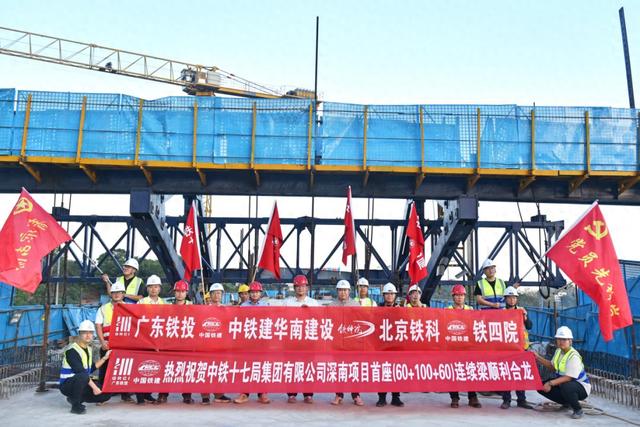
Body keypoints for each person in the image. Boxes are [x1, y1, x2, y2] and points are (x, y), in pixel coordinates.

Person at [158, 280, 209, 405]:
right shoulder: (167, 307)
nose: (180, 294)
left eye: (182, 291)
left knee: (186, 369)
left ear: (186, 293)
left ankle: (187, 395)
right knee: (167, 369)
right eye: (178, 291)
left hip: (187, 343)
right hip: (171, 342)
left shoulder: (193, 306)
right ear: (174, 292)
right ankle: (163, 395)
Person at [534, 326, 591, 419]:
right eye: (559, 339)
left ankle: (578, 409)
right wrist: (538, 357)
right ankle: (567, 402)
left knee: (566, 386)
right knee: (541, 386)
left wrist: (550, 383)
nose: (561, 342)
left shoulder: (573, 356)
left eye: (564, 339)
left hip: (581, 387)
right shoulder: (558, 351)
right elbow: (552, 366)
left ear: (570, 341)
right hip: (565, 384)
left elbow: (569, 377)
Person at [59, 320, 111, 414]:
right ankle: (76, 407)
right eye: (84, 332)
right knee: (83, 376)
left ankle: (75, 398)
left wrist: (105, 358)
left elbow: (91, 368)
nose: (88, 335)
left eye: (90, 333)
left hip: (82, 382)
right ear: (79, 334)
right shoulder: (72, 351)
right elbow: (81, 372)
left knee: (106, 394)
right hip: (68, 385)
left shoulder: (88, 349)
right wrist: (95, 388)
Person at [95, 281, 133, 403]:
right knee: (105, 370)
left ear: (123, 294)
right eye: (114, 292)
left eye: (119, 292)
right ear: (111, 294)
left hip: (124, 345)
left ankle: (125, 395)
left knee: (125, 370)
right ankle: (102, 396)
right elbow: (98, 326)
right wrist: (102, 342)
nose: (116, 294)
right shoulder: (103, 309)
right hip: (108, 344)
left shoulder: (130, 308)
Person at [283, 274, 319, 403]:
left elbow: (319, 319)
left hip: (308, 340)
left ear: (307, 288)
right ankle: (291, 394)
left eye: (303, 286)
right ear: (294, 288)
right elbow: (282, 319)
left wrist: (309, 312)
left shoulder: (313, 303)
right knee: (291, 366)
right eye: (297, 286)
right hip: (292, 339)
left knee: (308, 367)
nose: (300, 288)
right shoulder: (287, 303)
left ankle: (308, 394)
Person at [234, 281, 271, 404]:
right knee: (247, 367)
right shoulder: (243, 306)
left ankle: (262, 393)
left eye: (257, 292)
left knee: (262, 367)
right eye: (252, 292)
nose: (255, 294)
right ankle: (244, 393)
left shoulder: (266, 305)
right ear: (249, 293)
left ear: (260, 293)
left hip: (261, 341)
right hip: (247, 341)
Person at [446, 285, 481, 408]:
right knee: (453, 372)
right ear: (453, 297)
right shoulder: (447, 310)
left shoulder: (470, 310)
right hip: (452, 345)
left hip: (467, 345)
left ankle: (472, 397)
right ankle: (454, 398)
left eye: (461, 295)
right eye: (457, 295)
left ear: (464, 297)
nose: (459, 298)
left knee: (470, 370)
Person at [329, 280, 364, 406]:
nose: (343, 292)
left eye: (345, 290)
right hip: (337, 343)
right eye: (340, 290)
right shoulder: (331, 305)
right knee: (339, 369)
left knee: (354, 369)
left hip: (352, 343)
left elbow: (360, 323)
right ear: (337, 291)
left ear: (349, 291)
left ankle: (356, 395)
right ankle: (339, 395)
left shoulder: (356, 304)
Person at [500, 286, 534, 410]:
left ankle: (521, 400)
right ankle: (506, 400)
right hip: (507, 347)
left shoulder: (522, 311)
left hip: (521, 347)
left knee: (520, 374)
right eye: (509, 298)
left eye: (514, 298)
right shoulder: (501, 312)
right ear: (505, 299)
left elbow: (529, 326)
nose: (512, 300)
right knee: (506, 374)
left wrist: (525, 317)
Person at [134, 275, 166, 404]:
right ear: (147, 288)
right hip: (143, 340)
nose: (153, 289)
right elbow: (136, 320)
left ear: (160, 288)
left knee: (153, 367)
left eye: (156, 287)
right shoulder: (141, 302)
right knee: (141, 367)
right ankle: (140, 396)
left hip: (158, 340)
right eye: (151, 287)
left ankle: (148, 394)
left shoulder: (164, 304)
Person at [203, 282, 233, 405]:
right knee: (205, 370)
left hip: (221, 344)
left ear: (222, 295)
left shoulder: (226, 309)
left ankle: (219, 394)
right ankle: (205, 395)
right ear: (210, 295)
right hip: (206, 344)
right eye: (214, 293)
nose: (217, 295)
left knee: (219, 369)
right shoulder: (204, 309)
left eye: (219, 293)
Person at [376, 282, 404, 407]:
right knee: (383, 371)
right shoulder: (377, 309)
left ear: (395, 295)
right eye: (387, 294)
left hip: (396, 345)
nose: (389, 296)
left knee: (395, 371)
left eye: (392, 294)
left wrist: (400, 312)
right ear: (383, 295)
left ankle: (395, 397)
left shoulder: (400, 309)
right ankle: (382, 397)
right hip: (382, 345)